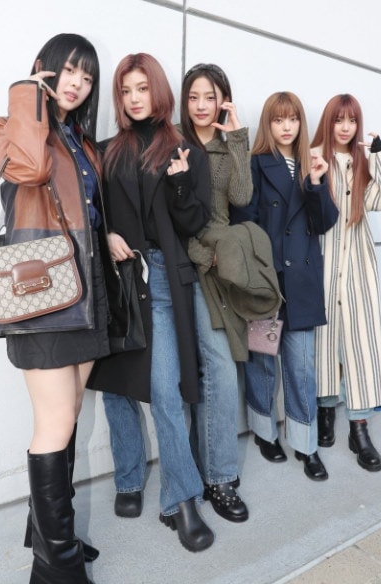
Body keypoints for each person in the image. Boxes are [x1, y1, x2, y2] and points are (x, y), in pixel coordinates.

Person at [0, 33, 108, 583]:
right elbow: (31, 170)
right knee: (54, 422)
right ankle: (55, 568)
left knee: (70, 414)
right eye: (69, 70)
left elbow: (90, 212)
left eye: (87, 75)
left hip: (84, 290)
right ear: (44, 69)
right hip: (41, 295)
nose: (77, 83)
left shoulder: (80, 141)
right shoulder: (7, 127)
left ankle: (51, 532)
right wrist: (28, 96)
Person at [87, 53, 214, 552]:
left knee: (164, 390)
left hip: (160, 279)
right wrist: (106, 235)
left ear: (157, 90)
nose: (134, 98)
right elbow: (90, 212)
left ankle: (180, 500)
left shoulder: (185, 150)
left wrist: (180, 183)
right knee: (116, 385)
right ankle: (129, 477)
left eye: (142, 88)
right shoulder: (105, 151)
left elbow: (195, 223)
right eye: (126, 90)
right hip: (118, 281)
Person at [230, 91, 338, 481]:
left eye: (292, 119)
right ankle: (264, 433)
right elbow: (243, 218)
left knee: (302, 368)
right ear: (268, 124)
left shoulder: (313, 164)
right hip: (267, 284)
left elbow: (324, 222)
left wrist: (316, 183)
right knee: (262, 362)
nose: (286, 126)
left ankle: (306, 445)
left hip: (303, 283)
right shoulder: (257, 163)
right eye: (278, 120)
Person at [310, 94, 381, 471]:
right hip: (321, 262)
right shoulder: (314, 157)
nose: (346, 127)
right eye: (339, 119)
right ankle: (325, 410)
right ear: (329, 122)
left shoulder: (364, 163)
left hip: (358, 266)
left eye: (352, 120)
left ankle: (359, 428)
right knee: (322, 344)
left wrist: (380, 154)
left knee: (360, 346)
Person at [178, 63, 252, 522]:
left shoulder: (228, 145)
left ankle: (216, 473)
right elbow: (169, 215)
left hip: (219, 271)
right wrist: (203, 256)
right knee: (207, 372)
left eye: (210, 97)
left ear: (223, 100)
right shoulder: (175, 144)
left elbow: (241, 197)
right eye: (194, 97)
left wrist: (237, 137)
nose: (202, 106)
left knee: (220, 369)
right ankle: (217, 475)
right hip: (187, 265)